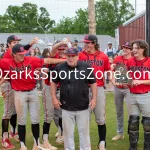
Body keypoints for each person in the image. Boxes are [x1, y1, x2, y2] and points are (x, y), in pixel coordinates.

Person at [0, 44, 66, 150]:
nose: (23, 56)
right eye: (20, 54)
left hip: (33, 91)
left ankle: (36, 144)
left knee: (35, 119)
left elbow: (48, 60)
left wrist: (64, 60)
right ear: (14, 54)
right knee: (22, 121)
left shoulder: (31, 59)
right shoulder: (6, 62)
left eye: (23, 53)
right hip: (19, 93)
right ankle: (23, 145)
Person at [51, 47, 97, 150]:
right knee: (68, 134)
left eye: (73, 56)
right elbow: (53, 82)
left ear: (77, 56)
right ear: (65, 56)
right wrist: (54, 97)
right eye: (68, 56)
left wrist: (94, 98)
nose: (71, 58)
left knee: (84, 133)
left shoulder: (86, 67)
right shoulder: (60, 67)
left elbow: (93, 83)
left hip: (83, 106)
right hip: (66, 107)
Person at [1, 35, 38, 149]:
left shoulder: (15, 51)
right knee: (8, 112)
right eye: (14, 42)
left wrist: (30, 44)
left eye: (17, 41)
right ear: (8, 44)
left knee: (15, 111)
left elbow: (20, 51)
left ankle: (13, 132)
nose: (16, 43)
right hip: (8, 83)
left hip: (15, 84)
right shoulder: (8, 53)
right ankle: (4, 138)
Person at [79, 34, 111, 150]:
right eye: (85, 42)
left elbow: (108, 70)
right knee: (84, 118)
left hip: (99, 88)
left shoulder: (103, 56)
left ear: (94, 43)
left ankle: (102, 143)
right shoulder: (80, 55)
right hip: (83, 89)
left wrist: (113, 80)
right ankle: (85, 143)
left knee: (100, 118)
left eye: (88, 42)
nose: (85, 44)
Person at [41, 40, 68, 149]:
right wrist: (62, 42)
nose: (61, 51)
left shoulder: (69, 58)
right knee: (49, 114)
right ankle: (45, 140)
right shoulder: (53, 55)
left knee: (61, 114)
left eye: (63, 49)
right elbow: (53, 49)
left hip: (62, 88)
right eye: (59, 49)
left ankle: (61, 134)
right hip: (49, 87)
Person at [127, 40, 150, 150]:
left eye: (137, 48)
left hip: (146, 95)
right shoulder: (129, 61)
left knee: (147, 123)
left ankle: (147, 146)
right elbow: (123, 78)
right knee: (133, 122)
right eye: (133, 48)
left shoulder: (149, 61)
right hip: (132, 95)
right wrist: (121, 79)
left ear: (143, 49)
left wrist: (140, 81)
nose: (134, 50)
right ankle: (133, 147)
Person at [111, 41, 132, 140]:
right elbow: (112, 69)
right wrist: (114, 81)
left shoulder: (134, 59)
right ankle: (120, 133)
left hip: (129, 89)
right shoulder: (118, 58)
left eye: (127, 48)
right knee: (119, 111)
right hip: (118, 88)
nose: (125, 49)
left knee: (131, 112)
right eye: (124, 47)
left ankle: (131, 132)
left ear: (131, 50)